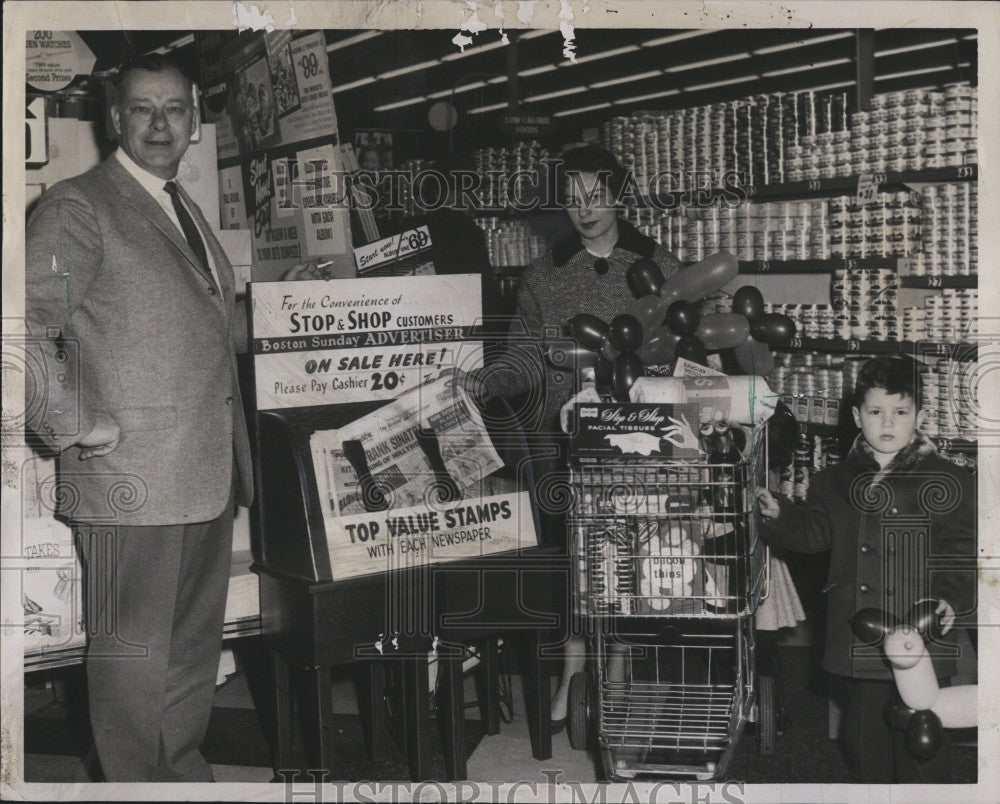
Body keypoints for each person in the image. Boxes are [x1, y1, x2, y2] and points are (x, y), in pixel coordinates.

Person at [24, 53, 323, 782]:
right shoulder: (77, 204)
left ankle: (183, 780)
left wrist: (289, 305)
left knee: (190, 655)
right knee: (131, 663)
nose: (161, 124)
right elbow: (19, 325)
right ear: (114, 118)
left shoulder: (177, 203)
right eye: (143, 109)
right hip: (130, 476)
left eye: (175, 110)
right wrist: (71, 423)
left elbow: (202, 328)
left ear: (194, 121)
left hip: (202, 471)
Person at [467, 144, 683, 730]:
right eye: (572, 197)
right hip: (557, 443)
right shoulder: (544, 274)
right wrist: (492, 379)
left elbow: (683, 350)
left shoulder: (659, 264)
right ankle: (572, 673)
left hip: (631, 439)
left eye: (595, 194)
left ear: (618, 193)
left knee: (625, 557)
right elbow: (525, 356)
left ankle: (615, 672)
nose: (584, 208)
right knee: (569, 559)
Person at [754, 355, 975, 782]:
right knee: (864, 740)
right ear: (857, 416)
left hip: (922, 639)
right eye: (876, 411)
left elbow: (961, 550)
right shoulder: (831, 482)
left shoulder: (949, 480)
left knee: (923, 742)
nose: (887, 423)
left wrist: (951, 596)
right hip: (861, 638)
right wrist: (780, 516)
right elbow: (814, 534)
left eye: (900, 412)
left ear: (921, 416)